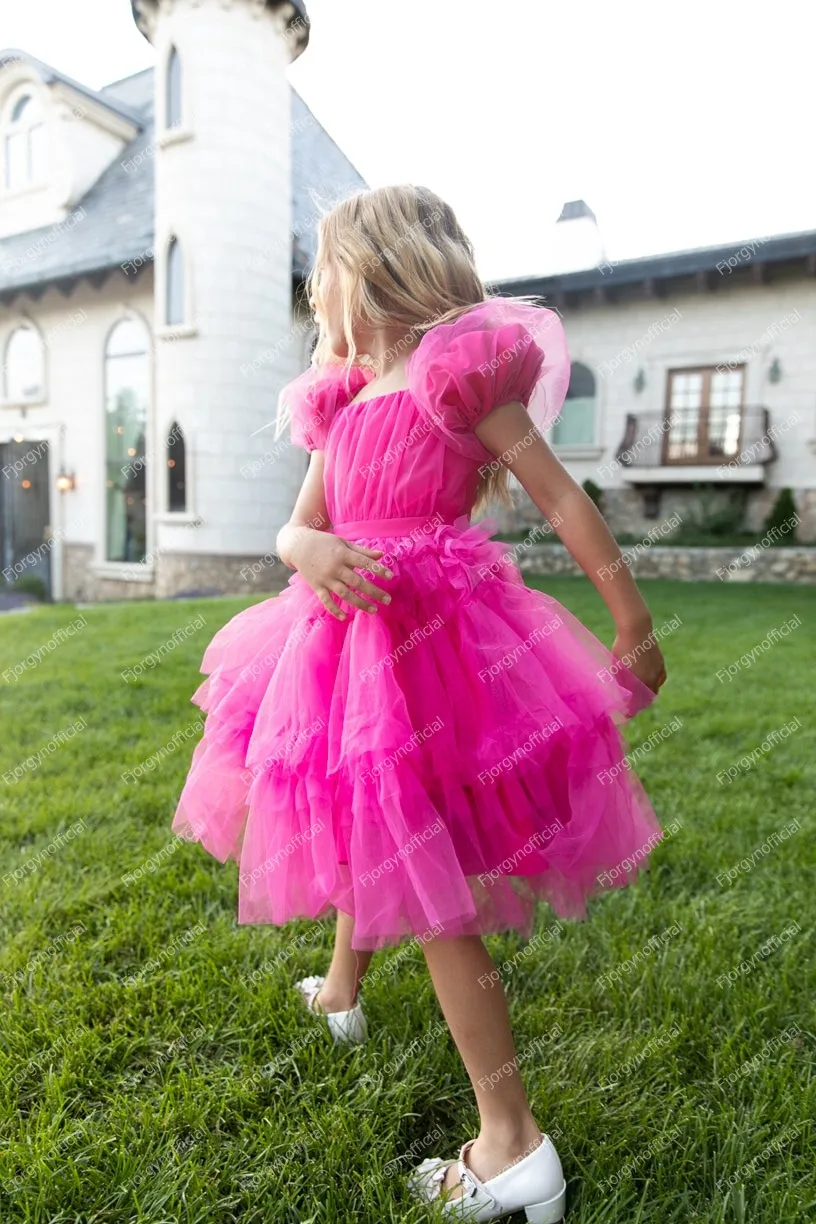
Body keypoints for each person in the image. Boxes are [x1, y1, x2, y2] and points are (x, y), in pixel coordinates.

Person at [172, 185, 667, 1222]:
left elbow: (559, 494)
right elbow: (299, 527)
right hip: (342, 646)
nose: (321, 297)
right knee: (375, 818)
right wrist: (305, 546)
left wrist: (631, 621)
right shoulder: (340, 400)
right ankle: (344, 992)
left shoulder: (458, 373)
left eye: (327, 273)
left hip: (433, 649)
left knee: (427, 876)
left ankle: (512, 1141)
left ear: (375, 268)